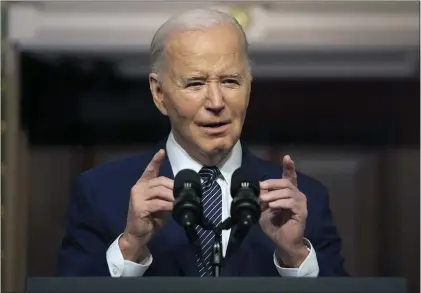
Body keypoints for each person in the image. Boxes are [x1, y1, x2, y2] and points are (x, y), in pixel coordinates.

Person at [57, 8, 347, 277]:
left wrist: (295, 256)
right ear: (159, 93)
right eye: (195, 83)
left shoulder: (304, 199)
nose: (217, 102)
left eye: (230, 81)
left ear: (249, 86)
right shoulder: (101, 192)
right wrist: (130, 245)